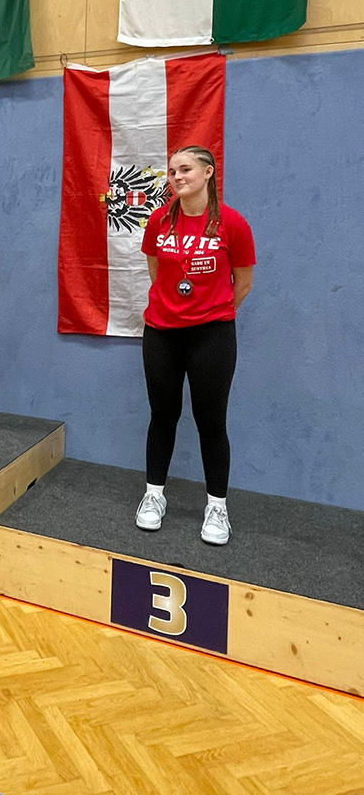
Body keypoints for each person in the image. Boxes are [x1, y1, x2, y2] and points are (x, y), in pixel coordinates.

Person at [135, 146, 255, 544]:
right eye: (172, 171)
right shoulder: (158, 221)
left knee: (211, 422)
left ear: (208, 173)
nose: (176, 177)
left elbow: (243, 282)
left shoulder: (233, 224)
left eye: (185, 169)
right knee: (162, 415)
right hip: (162, 333)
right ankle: (154, 496)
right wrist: (175, 308)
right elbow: (156, 271)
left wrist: (211, 312)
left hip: (212, 336)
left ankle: (217, 507)